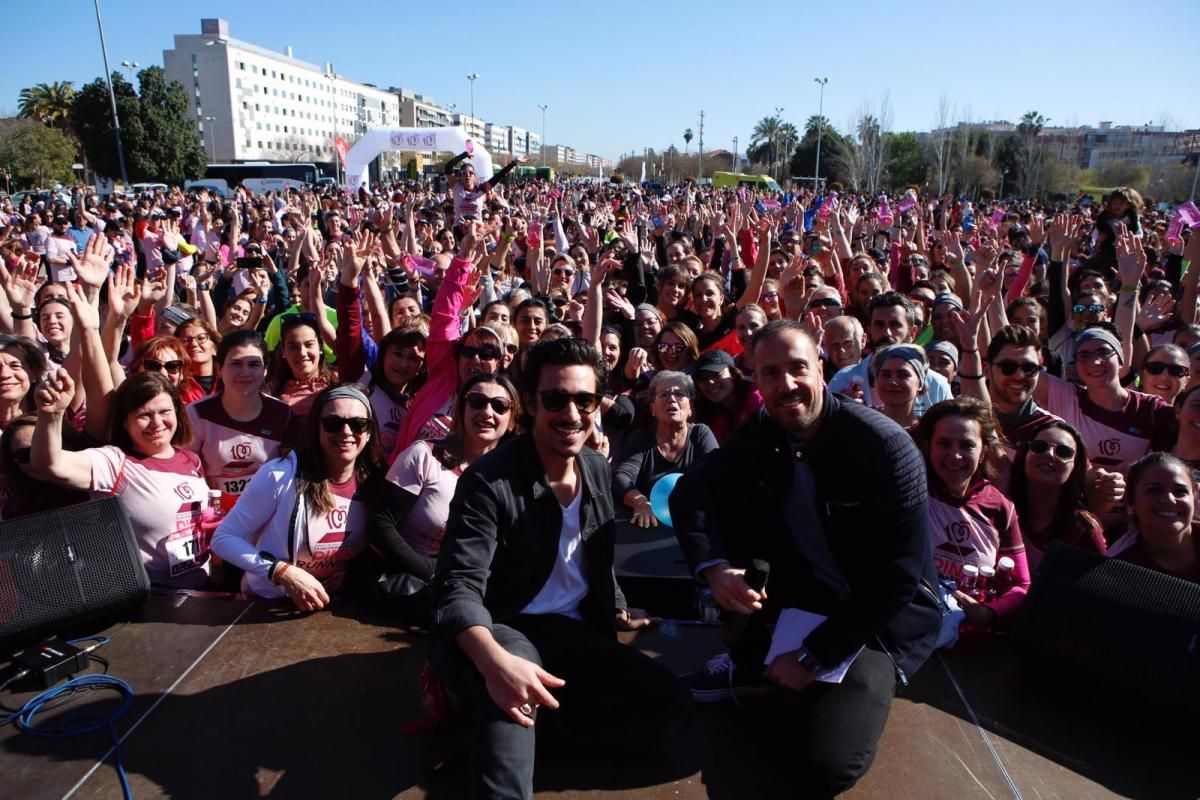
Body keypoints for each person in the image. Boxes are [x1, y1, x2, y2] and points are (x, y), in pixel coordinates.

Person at [670, 320, 941, 797]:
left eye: (798, 368)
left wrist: (814, 656)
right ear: (756, 380)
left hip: (875, 624)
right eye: (770, 373)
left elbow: (897, 580)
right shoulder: (763, 429)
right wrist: (713, 568)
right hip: (799, 600)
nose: (786, 384)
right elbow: (692, 491)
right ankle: (752, 658)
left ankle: (792, 678)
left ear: (821, 368)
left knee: (824, 764)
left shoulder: (885, 448)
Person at [430, 338, 691, 799]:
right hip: (505, 626)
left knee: (671, 712)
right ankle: (493, 718)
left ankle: (505, 726)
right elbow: (457, 588)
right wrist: (493, 662)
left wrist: (619, 608)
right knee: (512, 701)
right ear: (530, 403)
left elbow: (596, 556)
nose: (571, 413)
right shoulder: (488, 481)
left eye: (584, 400)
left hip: (576, 632)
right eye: (555, 399)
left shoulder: (594, 468)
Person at [210, 384, 387, 607]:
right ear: (316, 428)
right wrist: (283, 573)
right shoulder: (280, 475)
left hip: (333, 606)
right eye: (333, 423)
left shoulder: (376, 482)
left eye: (358, 424)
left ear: (370, 432)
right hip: (268, 604)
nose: (346, 432)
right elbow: (224, 538)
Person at [32, 371, 213, 588]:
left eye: (165, 411)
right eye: (143, 415)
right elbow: (51, 465)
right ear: (125, 422)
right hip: (150, 599)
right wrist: (51, 415)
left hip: (202, 592)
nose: (157, 423)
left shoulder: (190, 459)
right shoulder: (114, 462)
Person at [370, 373, 519, 614]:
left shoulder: (511, 475)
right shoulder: (424, 455)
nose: (487, 412)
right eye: (477, 402)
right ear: (460, 410)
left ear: (512, 419)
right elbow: (380, 524)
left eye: (500, 406)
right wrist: (431, 571)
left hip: (467, 583)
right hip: (412, 581)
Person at [917, 398, 1031, 628]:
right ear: (929, 447)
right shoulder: (911, 492)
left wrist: (989, 613)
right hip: (913, 629)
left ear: (984, 450)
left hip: (972, 639)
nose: (955, 455)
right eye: (944, 444)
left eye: (967, 445)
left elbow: (1022, 585)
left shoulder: (1000, 507)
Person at [185, 330, 300, 509]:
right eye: (236, 364)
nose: (245, 372)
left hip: (268, 515)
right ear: (219, 369)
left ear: (265, 370)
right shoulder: (196, 413)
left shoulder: (282, 414)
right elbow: (186, 474)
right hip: (215, 517)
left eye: (254, 364)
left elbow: (293, 475)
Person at [614, 370, 718, 527]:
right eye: (663, 395)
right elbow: (622, 477)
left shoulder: (700, 434)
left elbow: (716, 473)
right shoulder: (641, 439)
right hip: (649, 524)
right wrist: (639, 501)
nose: (671, 399)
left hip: (696, 522)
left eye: (679, 393)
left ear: (690, 408)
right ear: (652, 409)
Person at [828, 292, 952, 414]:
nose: (887, 333)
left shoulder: (936, 385)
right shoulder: (842, 380)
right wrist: (840, 410)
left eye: (895, 325)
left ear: (912, 332)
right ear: (869, 330)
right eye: (879, 325)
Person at [1009, 421, 1107, 571]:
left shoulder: (1083, 530)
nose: (1048, 454)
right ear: (1025, 454)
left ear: (1076, 467)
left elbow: (1095, 590)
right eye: (1039, 446)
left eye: (1064, 452)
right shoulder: (1001, 509)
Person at [1108, 452, 1199, 583]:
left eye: (1180, 491)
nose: (1169, 499)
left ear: (1194, 500)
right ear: (1131, 502)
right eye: (1154, 490)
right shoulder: (1115, 572)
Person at [693, 349, 763, 445]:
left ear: (733, 373)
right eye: (703, 378)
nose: (710, 381)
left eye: (716, 374)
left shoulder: (756, 400)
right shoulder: (709, 412)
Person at [871, 344, 928, 431]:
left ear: (920, 384)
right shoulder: (862, 421)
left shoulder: (927, 432)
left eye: (902, 375)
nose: (892, 382)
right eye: (886, 375)